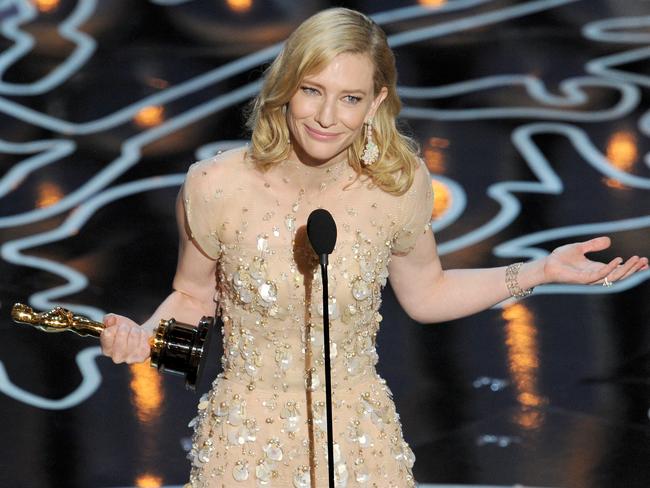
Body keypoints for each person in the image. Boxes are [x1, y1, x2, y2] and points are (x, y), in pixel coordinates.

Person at [100, 7, 649, 488]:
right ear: (286, 85)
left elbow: (427, 293)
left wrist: (541, 271)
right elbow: (193, 297)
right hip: (245, 436)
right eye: (312, 90)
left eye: (350, 98)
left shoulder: (397, 184)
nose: (326, 116)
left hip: (358, 434)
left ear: (376, 102)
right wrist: (146, 339)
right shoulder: (214, 184)